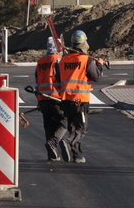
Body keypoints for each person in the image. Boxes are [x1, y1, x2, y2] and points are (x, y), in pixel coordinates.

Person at [58, 30, 104, 163]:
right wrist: (99, 64)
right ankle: (67, 142)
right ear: (83, 43)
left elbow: (58, 77)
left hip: (66, 99)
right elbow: (96, 77)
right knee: (82, 129)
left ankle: (77, 155)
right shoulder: (86, 59)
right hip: (80, 100)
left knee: (73, 127)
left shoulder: (64, 60)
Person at [35, 36, 67, 161]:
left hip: (43, 99)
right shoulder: (58, 60)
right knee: (64, 122)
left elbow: (37, 82)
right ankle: (53, 143)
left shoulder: (41, 61)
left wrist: (38, 100)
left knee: (48, 126)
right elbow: (62, 79)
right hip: (56, 98)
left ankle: (52, 155)